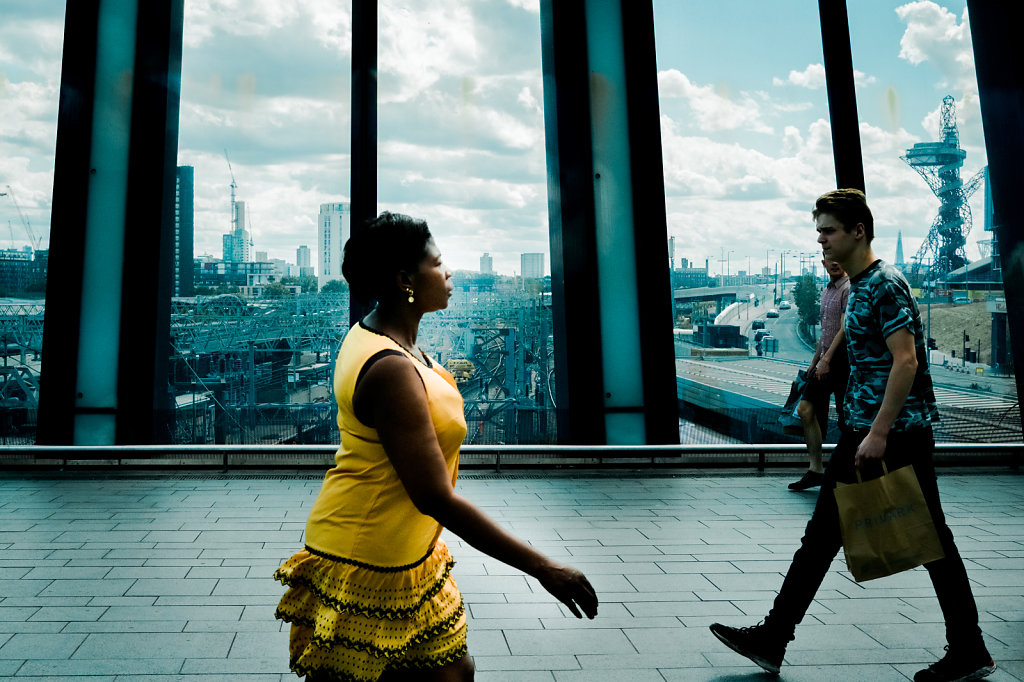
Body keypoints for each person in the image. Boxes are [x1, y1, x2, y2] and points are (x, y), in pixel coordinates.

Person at [274, 212, 598, 681]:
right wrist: (544, 567)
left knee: (453, 673)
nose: (450, 273)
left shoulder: (380, 336)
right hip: (370, 557)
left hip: (405, 551)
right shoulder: (390, 368)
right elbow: (434, 497)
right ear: (406, 279)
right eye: (438, 262)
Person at [709, 189, 995, 681]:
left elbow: (906, 361)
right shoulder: (861, 286)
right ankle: (775, 637)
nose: (819, 238)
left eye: (828, 230)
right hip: (867, 432)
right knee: (825, 539)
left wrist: (878, 433)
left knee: (930, 543)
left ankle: (968, 649)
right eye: (819, 230)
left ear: (857, 230)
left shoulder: (884, 284)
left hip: (894, 434)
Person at [788, 258, 849, 491]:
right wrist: (815, 362)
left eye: (838, 258)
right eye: (829, 259)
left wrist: (827, 359)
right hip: (824, 362)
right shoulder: (826, 291)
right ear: (823, 263)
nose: (834, 263)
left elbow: (844, 328)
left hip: (842, 363)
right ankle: (816, 470)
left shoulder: (848, 288)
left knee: (847, 421)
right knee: (805, 410)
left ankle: (846, 473)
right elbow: (825, 333)